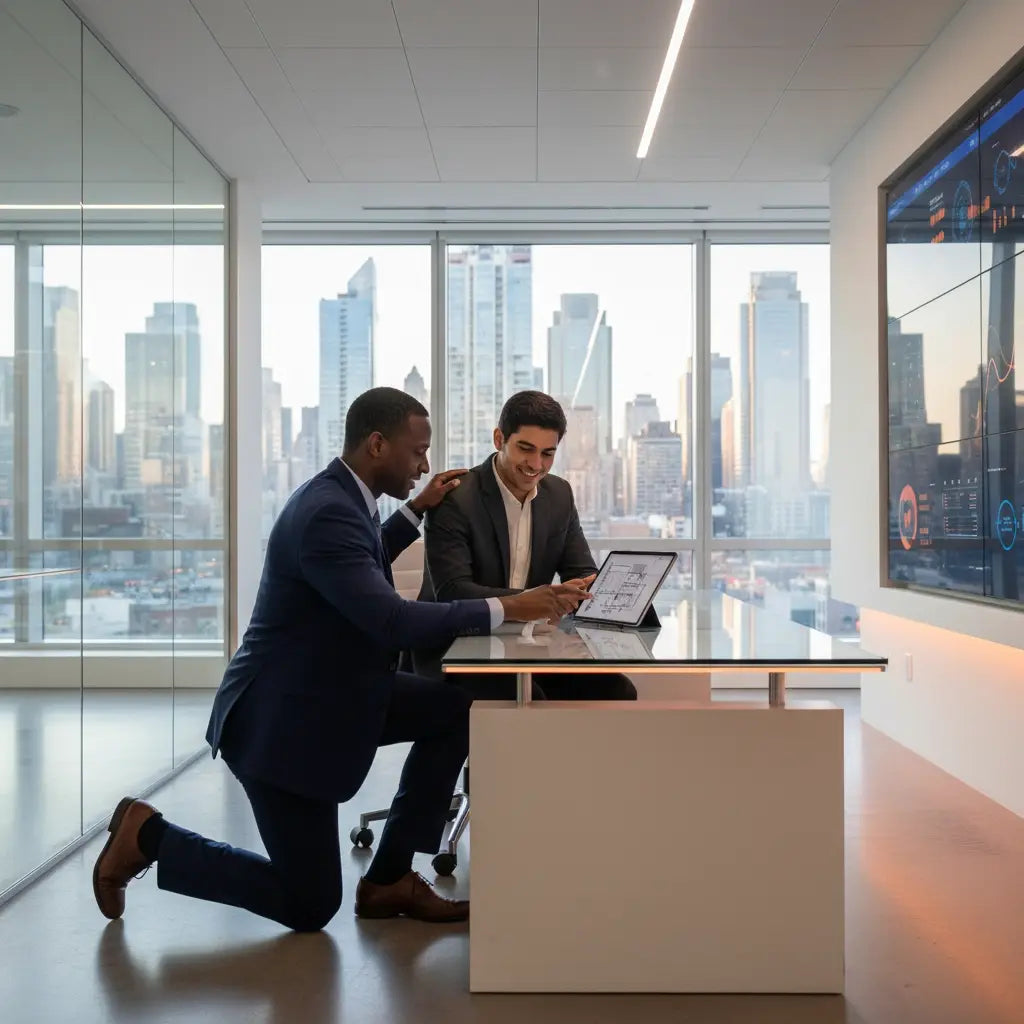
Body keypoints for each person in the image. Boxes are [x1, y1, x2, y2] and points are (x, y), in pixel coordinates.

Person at [92, 387, 589, 932]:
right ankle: (147, 836)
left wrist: (412, 514)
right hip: (284, 721)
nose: (425, 465)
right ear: (378, 444)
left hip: (342, 691)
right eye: (417, 451)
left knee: (455, 710)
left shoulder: (344, 499)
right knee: (309, 904)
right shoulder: (327, 512)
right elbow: (392, 621)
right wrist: (511, 606)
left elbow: (363, 559)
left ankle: (389, 876)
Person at [414, 390, 637, 702]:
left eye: (548, 453)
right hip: (456, 647)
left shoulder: (559, 494)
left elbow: (581, 570)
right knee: (529, 701)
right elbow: (453, 592)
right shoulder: (456, 497)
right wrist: (536, 601)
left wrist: (595, 588)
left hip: (528, 644)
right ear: (498, 439)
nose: (536, 465)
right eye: (525, 449)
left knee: (617, 690)